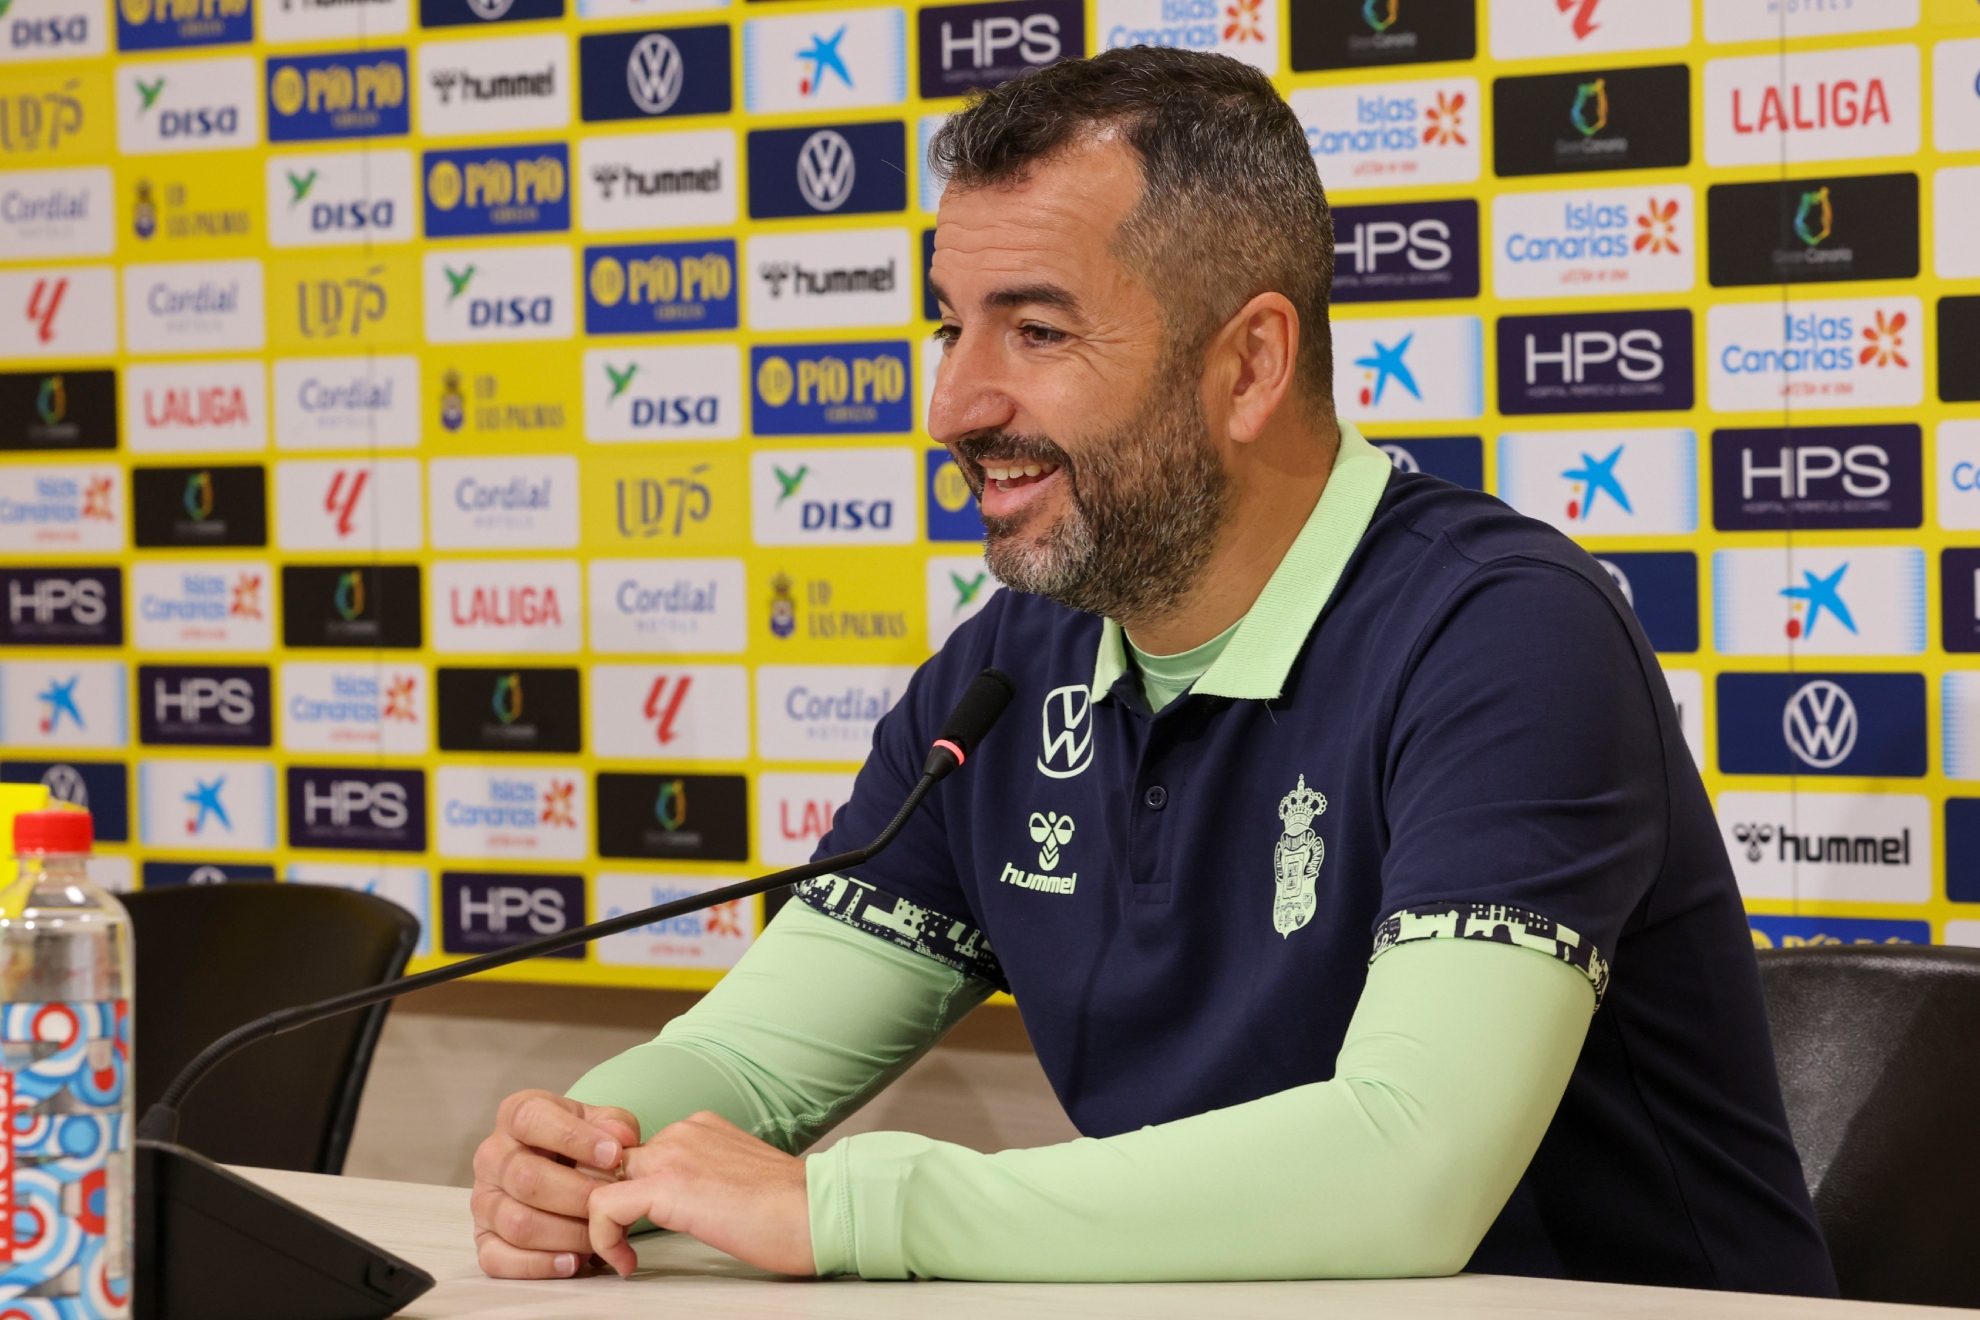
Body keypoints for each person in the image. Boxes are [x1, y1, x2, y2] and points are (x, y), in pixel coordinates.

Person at [469, 47, 1837, 1293]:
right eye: (953, 325)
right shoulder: (1009, 669)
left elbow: (1406, 1173)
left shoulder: (1504, 637)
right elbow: (757, 1057)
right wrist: (596, 1146)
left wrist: (852, 1208)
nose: (956, 403)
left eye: (1039, 330)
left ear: (1248, 366)